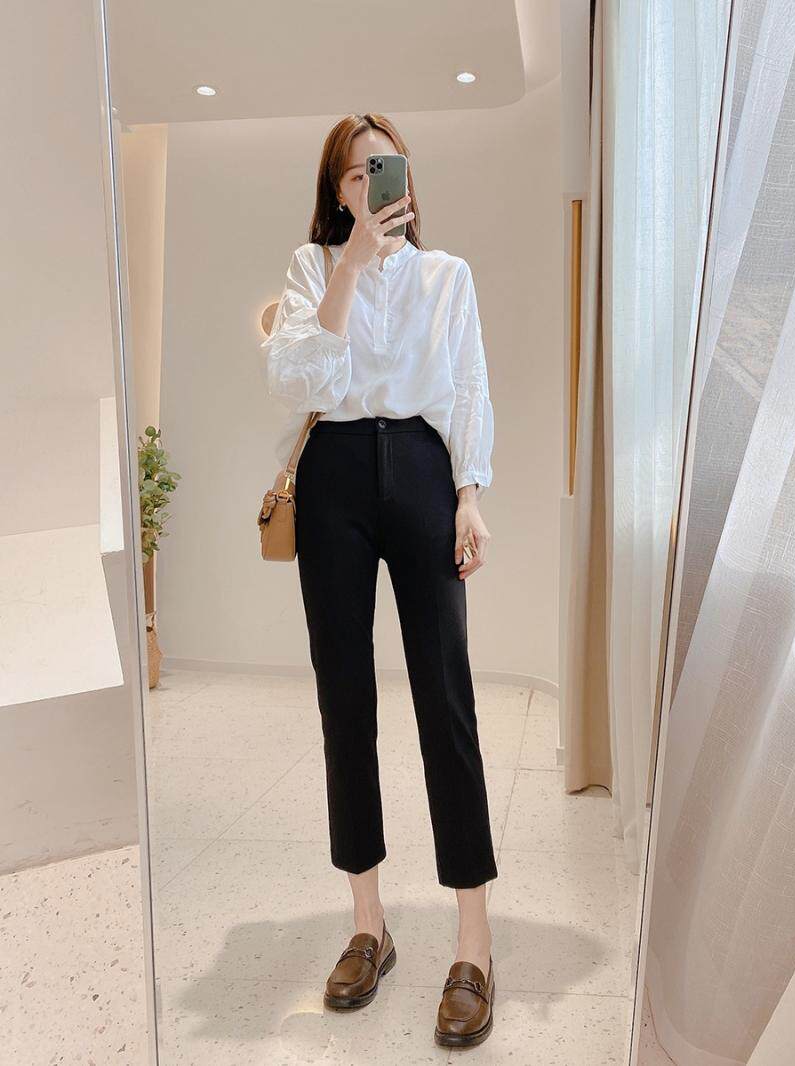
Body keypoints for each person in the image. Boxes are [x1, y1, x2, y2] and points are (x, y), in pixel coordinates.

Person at [260, 112, 497, 1048]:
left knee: (447, 696)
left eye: (385, 169)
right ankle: (370, 924)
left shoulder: (448, 277)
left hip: (426, 472)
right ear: (337, 190)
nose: (372, 185)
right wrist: (349, 269)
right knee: (344, 699)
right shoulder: (312, 267)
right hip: (335, 480)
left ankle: (473, 942)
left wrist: (469, 496)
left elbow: (467, 385)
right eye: (356, 175)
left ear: (407, 179)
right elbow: (297, 381)